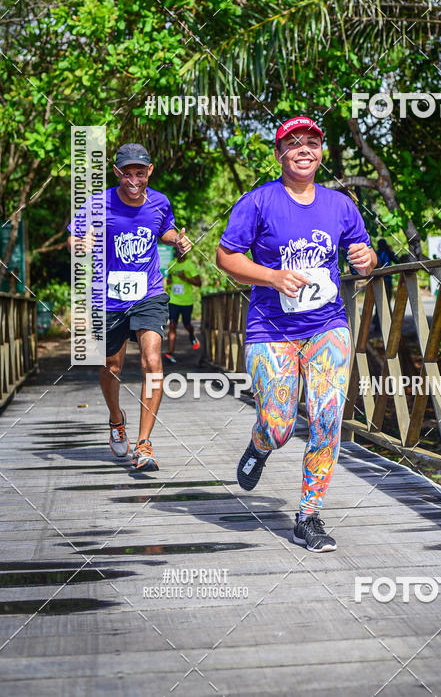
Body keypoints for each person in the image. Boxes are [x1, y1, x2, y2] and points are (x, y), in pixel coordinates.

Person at [216, 116, 377, 552]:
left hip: (327, 325)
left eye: (312, 142)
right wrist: (271, 277)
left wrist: (365, 259)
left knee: (327, 419)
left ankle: (309, 516)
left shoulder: (340, 204)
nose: (304, 149)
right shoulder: (258, 202)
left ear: (321, 152)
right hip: (270, 329)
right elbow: (226, 257)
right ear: (279, 153)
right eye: (294, 143)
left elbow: (364, 254)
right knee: (279, 425)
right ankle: (259, 444)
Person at [67, 143, 191, 471]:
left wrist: (178, 241)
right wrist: (81, 244)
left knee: (153, 362)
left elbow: (164, 230)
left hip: (148, 292)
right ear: (116, 172)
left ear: (149, 171)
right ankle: (115, 418)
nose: (133, 179)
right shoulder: (97, 203)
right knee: (112, 365)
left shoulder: (160, 202)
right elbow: (73, 239)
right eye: (127, 173)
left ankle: (144, 443)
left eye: (140, 172)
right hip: (108, 298)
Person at [164, 254, 202, 364]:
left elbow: (198, 283)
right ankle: (170, 353)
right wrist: (170, 281)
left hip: (186, 301)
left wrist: (185, 278)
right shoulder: (172, 264)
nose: (180, 254)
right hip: (173, 301)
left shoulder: (190, 265)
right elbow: (169, 278)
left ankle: (191, 335)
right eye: (178, 251)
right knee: (172, 325)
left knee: (187, 325)